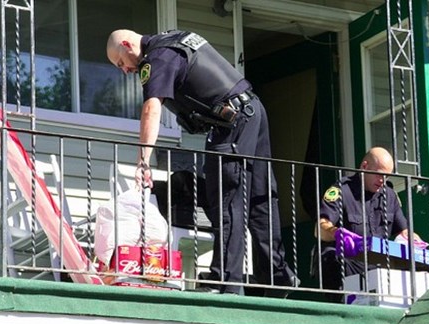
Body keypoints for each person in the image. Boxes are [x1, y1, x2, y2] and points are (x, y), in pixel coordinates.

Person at [106, 29, 297, 297]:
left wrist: (143, 160)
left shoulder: (156, 58)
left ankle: (224, 282)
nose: (124, 70)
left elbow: (151, 108)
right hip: (252, 111)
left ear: (127, 45)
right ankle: (277, 279)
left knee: (227, 199)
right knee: (259, 199)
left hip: (230, 122)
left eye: (120, 63)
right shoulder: (174, 39)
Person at [313, 147, 425, 303]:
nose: (382, 180)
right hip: (350, 260)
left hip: (378, 262)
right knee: (333, 259)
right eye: (379, 174)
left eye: (386, 176)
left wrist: (414, 240)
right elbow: (320, 228)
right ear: (364, 167)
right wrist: (337, 233)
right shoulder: (342, 191)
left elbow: (404, 231)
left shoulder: (389, 195)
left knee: (426, 263)